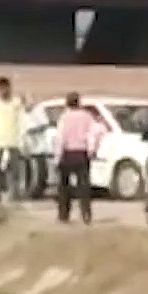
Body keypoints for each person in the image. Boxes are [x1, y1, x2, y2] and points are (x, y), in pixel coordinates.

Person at [53, 92, 103, 224]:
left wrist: (57, 157)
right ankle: (86, 213)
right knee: (84, 186)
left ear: (67, 103)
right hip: (82, 153)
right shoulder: (87, 116)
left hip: (67, 153)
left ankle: (64, 214)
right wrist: (92, 149)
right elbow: (96, 132)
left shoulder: (64, 117)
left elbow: (60, 138)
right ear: (79, 102)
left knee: (64, 186)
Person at [0, 76, 27, 203]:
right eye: (1, 89)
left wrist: (21, 139)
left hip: (13, 142)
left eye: (6, 88)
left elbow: (22, 121)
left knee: (13, 171)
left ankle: (13, 194)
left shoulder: (16, 103)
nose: (4, 91)